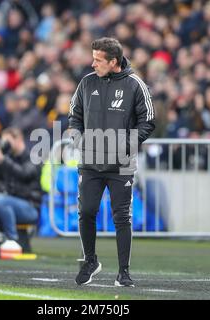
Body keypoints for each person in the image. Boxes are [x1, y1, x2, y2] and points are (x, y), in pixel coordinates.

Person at [68, 37, 155, 287]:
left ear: (113, 61)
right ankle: (90, 261)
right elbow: (74, 115)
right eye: (93, 58)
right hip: (90, 162)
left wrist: (126, 144)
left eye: (98, 59)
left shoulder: (135, 84)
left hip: (121, 164)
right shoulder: (86, 82)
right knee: (86, 212)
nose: (92, 63)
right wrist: (77, 138)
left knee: (121, 217)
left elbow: (148, 120)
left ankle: (123, 272)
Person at [0, 128, 42, 242]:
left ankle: (12, 240)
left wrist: (3, 160)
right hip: (9, 203)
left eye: (7, 141)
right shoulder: (8, 157)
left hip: (30, 207)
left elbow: (24, 174)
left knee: (0, 200)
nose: (5, 145)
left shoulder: (33, 155)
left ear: (18, 139)